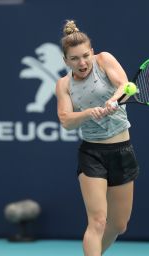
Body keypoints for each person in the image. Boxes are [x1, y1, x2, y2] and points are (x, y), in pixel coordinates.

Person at [55, 20, 139, 256]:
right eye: (74, 59)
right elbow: (65, 120)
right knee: (98, 221)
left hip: (122, 150)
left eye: (85, 55)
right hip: (92, 155)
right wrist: (88, 112)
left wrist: (113, 100)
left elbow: (125, 85)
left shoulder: (104, 60)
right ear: (66, 61)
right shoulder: (63, 85)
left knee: (118, 225)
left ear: (92, 52)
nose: (82, 63)